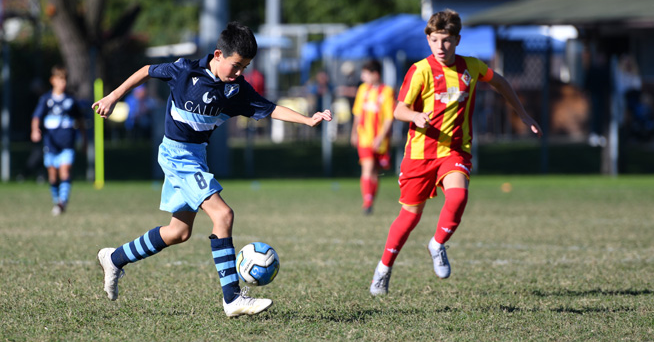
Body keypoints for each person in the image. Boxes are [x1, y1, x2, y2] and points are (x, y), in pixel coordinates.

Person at [92, 22, 332, 317]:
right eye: (236, 65)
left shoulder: (235, 89)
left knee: (178, 232)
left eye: (245, 67)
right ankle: (233, 299)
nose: (240, 72)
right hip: (177, 156)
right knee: (223, 215)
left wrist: (307, 120)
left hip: (196, 157)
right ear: (218, 55)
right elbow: (146, 71)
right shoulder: (185, 71)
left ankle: (115, 258)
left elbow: (270, 108)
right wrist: (113, 96)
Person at [370, 9, 541, 296]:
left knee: (459, 196)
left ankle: (437, 244)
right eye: (435, 40)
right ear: (428, 39)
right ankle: (383, 269)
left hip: (454, 150)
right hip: (420, 155)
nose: (441, 46)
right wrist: (415, 116)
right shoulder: (420, 70)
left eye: (447, 40)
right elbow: (399, 109)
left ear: (457, 40)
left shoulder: (471, 67)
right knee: (410, 217)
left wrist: (522, 114)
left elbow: (500, 82)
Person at [31, 66, 86, 215]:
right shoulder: (46, 99)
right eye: (60, 79)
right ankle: (57, 201)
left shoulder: (71, 100)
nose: (63, 83)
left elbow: (80, 121)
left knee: (65, 172)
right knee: (52, 176)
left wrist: (84, 140)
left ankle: (62, 202)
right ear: (53, 80)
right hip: (50, 144)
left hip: (67, 144)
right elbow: (36, 117)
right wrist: (35, 130)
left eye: (65, 80)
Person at [350, 59, 394, 214]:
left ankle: (370, 201)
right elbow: (357, 113)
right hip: (364, 137)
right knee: (367, 167)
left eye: (366, 74)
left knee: (375, 171)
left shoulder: (387, 91)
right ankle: (367, 202)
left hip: (380, 139)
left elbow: (389, 117)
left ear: (376, 74)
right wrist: (353, 132)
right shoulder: (363, 89)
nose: (363, 78)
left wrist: (381, 137)